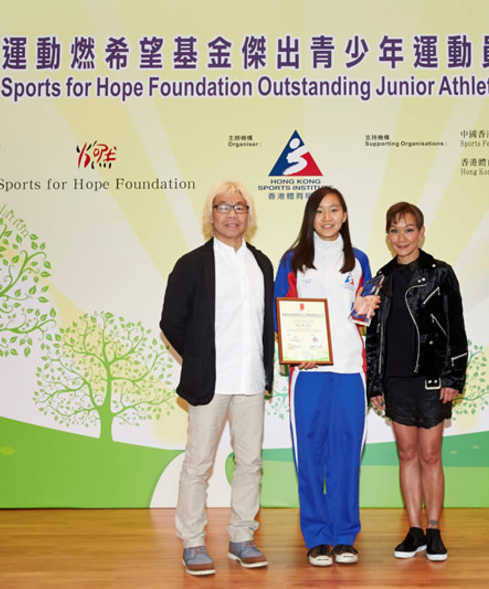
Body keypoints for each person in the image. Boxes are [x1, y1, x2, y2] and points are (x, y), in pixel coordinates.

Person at [160, 181, 275, 576]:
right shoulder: (191, 264)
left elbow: (265, 325)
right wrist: (197, 360)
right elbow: (171, 322)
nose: (231, 214)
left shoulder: (262, 264)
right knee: (197, 465)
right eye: (222, 207)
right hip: (209, 382)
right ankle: (192, 542)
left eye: (239, 207)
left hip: (250, 380)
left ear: (249, 214)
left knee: (251, 463)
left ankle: (241, 537)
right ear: (211, 215)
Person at [274, 186, 373, 567]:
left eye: (334, 210)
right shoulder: (293, 259)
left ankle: (344, 536)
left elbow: (362, 317)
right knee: (311, 457)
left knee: (347, 456)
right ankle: (317, 536)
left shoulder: (359, 260)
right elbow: (280, 312)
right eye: (319, 211)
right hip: (309, 373)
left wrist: (366, 311)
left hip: (350, 371)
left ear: (345, 215)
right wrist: (299, 353)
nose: (327, 218)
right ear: (310, 217)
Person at [365, 202, 468, 562]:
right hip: (395, 382)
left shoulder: (441, 274)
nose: (401, 238)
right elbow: (373, 337)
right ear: (387, 236)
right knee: (406, 454)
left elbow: (456, 329)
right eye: (394, 230)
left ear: (422, 233)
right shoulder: (380, 278)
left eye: (409, 230)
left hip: (432, 379)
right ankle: (414, 531)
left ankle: (435, 529)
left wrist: (454, 377)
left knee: (429, 455)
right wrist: (374, 384)